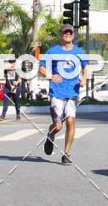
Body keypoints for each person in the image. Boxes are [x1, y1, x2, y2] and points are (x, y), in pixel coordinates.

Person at [38, 24, 88, 165]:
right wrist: (50, 75)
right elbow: (41, 67)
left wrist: (84, 79)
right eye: (65, 33)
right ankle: (50, 135)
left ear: (73, 36)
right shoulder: (52, 51)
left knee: (71, 121)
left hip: (72, 91)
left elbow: (85, 66)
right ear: (60, 35)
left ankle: (66, 154)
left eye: (70, 33)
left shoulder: (79, 51)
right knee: (58, 126)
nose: (67, 35)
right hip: (57, 92)